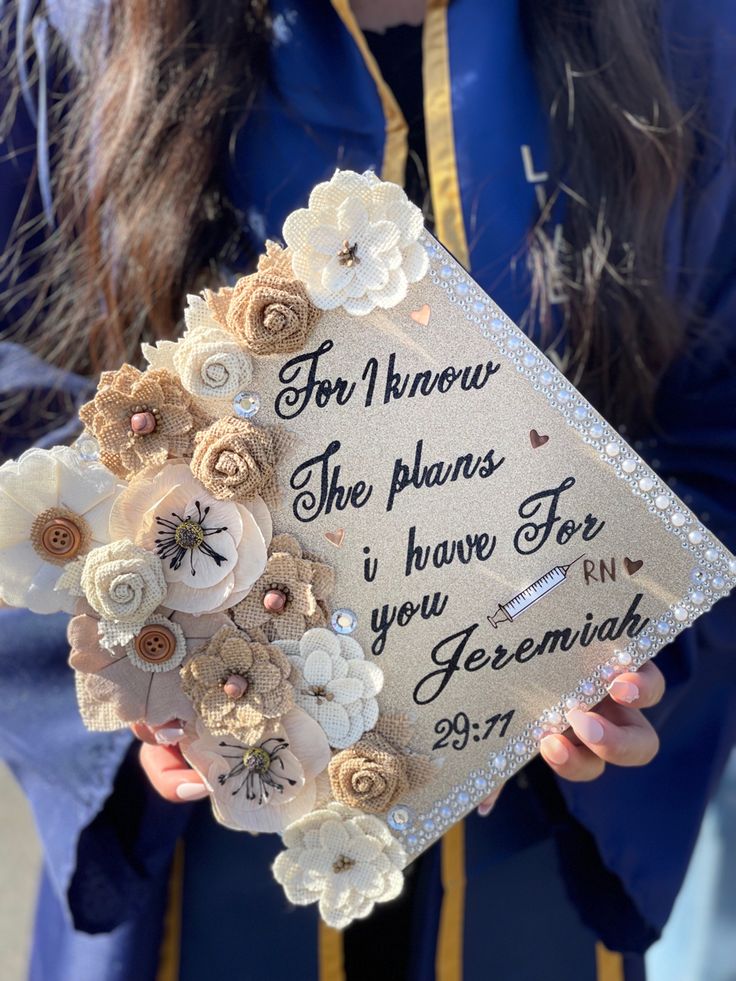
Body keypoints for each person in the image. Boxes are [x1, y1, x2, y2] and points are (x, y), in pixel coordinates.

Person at [1, 1, 734, 979]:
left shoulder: (687, 38)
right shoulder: (71, 32)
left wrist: (637, 649)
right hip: (207, 853)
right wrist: (127, 655)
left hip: (527, 843)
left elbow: (717, 420)